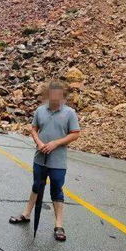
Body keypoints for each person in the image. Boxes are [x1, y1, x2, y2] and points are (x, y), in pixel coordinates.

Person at [9, 81, 80, 241]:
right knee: (36, 185)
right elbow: (33, 128)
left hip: (58, 161)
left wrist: (56, 143)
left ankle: (59, 225)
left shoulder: (69, 113)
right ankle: (26, 214)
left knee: (56, 189)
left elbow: (75, 133)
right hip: (40, 158)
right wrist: (39, 142)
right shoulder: (40, 110)